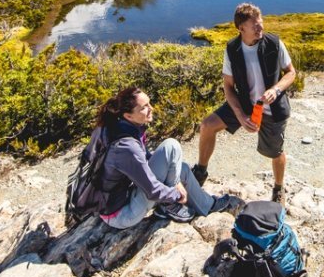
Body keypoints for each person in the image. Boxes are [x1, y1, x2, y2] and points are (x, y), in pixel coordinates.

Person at [94, 86, 243, 229]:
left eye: (149, 103)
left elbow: (144, 163)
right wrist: (175, 195)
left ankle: (208, 205)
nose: (151, 108)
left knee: (182, 168)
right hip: (122, 214)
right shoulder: (126, 146)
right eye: (144, 107)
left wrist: (174, 179)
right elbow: (151, 189)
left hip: (127, 195)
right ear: (128, 115)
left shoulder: (124, 128)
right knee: (171, 146)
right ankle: (168, 206)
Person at [192, 2, 297, 204]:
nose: (261, 28)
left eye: (261, 23)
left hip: (272, 109)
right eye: (255, 26)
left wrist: (276, 89)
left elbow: (291, 73)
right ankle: (200, 171)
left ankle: (278, 189)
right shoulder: (232, 49)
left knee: (275, 152)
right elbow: (228, 87)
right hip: (245, 103)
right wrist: (240, 115)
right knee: (207, 126)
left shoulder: (274, 43)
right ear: (242, 29)